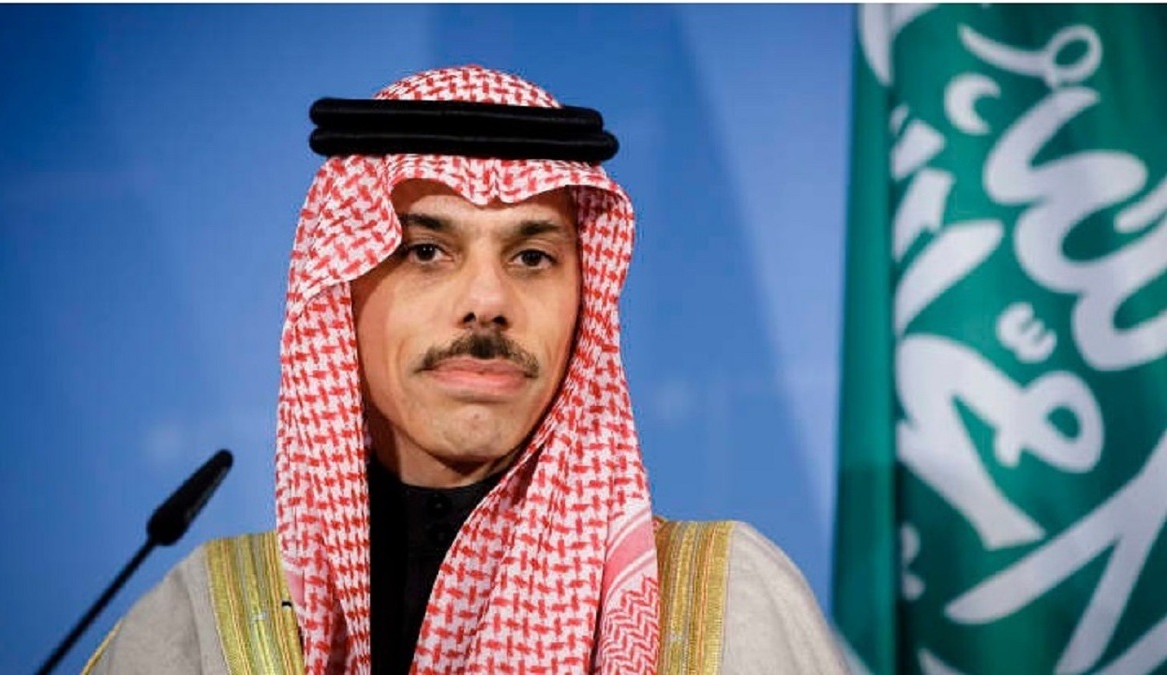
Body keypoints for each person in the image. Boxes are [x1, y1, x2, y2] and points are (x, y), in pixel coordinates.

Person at [85, 65, 846, 675]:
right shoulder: (199, 627)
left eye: (533, 257)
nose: (487, 301)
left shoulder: (725, 606)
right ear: (340, 293)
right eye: (426, 251)